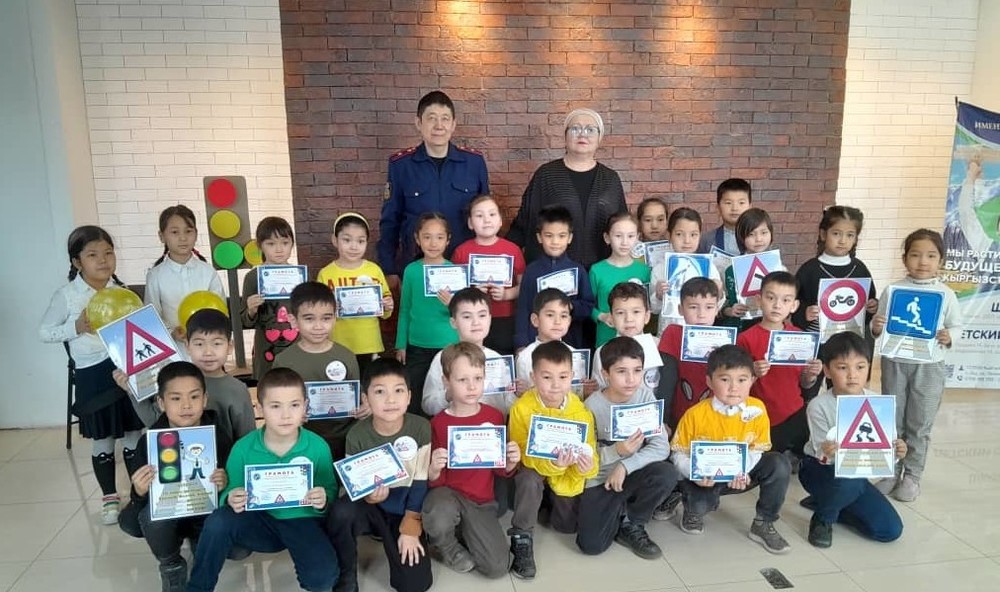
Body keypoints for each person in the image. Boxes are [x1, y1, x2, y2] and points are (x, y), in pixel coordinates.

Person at [186, 368, 338, 592]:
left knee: (322, 580)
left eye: (294, 405)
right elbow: (230, 489)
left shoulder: (317, 446)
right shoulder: (243, 448)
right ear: (260, 408)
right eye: (275, 406)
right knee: (219, 520)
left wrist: (323, 499)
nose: (286, 415)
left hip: (303, 521)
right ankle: (197, 587)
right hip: (259, 522)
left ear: (305, 406)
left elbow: (330, 490)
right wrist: (231, 498)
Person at [39, 225, 146, 525]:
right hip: (92, 375)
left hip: (126, 369)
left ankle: (138, 495)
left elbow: (140, 330)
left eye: (109, 253)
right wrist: (76, 327)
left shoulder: (123, 293)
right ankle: (109, 497)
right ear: (77, 262)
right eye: (93, 255)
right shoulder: (67, 296)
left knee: (133, 434)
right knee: (103, 438)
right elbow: (44, 332)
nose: (103, 260)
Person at [670, 345, 793, 554]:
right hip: (704, 478)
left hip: (740, 475)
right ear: (709, 381)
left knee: (779, 464)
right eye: (725, 379)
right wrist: (694, 474)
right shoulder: (695, 414)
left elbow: (756, 449)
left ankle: (763, 522)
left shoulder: (757, 409)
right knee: (700, 506)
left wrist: (741, 469)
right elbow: (678, 453)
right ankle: (690, 507)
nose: (734, 387)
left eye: (742, 380)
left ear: (752, 380)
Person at [326, 358, 433, 592]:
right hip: (371, 507)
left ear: (409, 397)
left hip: (404, 508)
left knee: (415, 585)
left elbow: (420, 481)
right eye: (380, 392)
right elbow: (353, 487)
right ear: (366, 399)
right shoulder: (357, 435)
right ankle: (346, 572)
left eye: (398, 391)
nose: (390, 400)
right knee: (340, 512)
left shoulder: (421, 428)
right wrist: (369, 497)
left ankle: (406, 535)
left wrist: (411, 526)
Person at [871, 229, 962, 502]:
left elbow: (957, 325)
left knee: (919, 424)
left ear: (941, 260)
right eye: (915, 255)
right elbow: (879, 327)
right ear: (904, 259)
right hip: (895, 363)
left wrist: (949, 336)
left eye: (931, 256)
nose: (923, 261)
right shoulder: (893, 290)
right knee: (892, 420)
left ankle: (912, 475)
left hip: (929, 366)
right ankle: (890, 471)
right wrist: (876, 326)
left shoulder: (946, 294)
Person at [126, 361, 234, 592]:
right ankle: (172, 566)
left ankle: (200, 545)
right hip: (168, 513)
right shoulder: (149, 442)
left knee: (236, 545)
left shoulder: (219, 437)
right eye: (176, 398)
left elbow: (232, 488)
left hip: (205, 512)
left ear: (204, 399)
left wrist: (224, 483)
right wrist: (139, 491)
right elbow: (138, 500)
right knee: (144, 519)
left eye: (194, 397)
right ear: (161, 403)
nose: (186, 405)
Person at [798, 332, 905, 548]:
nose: (852, 375)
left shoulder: (878, 402)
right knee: (849, 478)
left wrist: (896, 451)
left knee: (889, 530)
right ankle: (823, 518)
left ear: (868, 368)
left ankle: (830, 503)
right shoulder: (818, 405)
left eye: (860, 367)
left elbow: (884, 450)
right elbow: (821, 453)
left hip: (855, 474)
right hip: (818, 470)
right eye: (842, 367)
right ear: (827, 370)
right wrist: (827, 450)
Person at [423, 343, 519, 577]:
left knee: (497, 568)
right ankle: (445, 544)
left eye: (478, 378)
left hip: (481, 502)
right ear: (446, 382)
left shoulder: (494, 416)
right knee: (438, 511)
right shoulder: (438, 423)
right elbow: (436, 482)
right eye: (462, 380)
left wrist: (510, 463)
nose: (472, 386)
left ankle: (464, 531)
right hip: (447, 496)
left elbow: (498, 470)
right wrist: (433, 469)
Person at [577, 337, 678, 558]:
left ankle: (632, 522)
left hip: (633, 472)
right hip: (601, 479)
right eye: (621, 371)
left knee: (666, 473)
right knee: (591, 546)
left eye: (637, 370)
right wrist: (616, 452)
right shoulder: (591, 406)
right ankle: (617, 510)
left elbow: (661, 446)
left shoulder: (645, 396)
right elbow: (584, 457)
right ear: (605, 374)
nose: (631, 379)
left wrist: (625, 465)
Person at [507, 341, 599, 579]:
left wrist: (586, 468)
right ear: (533, 377)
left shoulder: (581, 412)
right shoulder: (521, 408)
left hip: (565, 475)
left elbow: (590, 452)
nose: (556, 385)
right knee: (529, 480)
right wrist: (552, 465)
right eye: (547, 377)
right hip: (534, 468)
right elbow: (521, 453)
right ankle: (522, 536)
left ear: (572, 376)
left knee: (566, 527)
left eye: (563, 376)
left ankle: (545, 503)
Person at [378, 90, 489, 283]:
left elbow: (486, 217)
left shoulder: (474, 163)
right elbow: (390, 221)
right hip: (417, 267)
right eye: (431, 118)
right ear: (418, 123)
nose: (439, 125)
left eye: (445, 119)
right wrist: (388, 269)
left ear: (453, 124)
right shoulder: (401, 165)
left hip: (464, 265)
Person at [507, 108, 627, 269]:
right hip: (554, 271)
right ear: (565, 136)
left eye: (590, 129)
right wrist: (502, 256)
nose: (582, 134)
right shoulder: (546, 175)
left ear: (599, 138)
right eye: (575, 129)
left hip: (602, 272)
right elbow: (525, 222)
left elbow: (622, 224)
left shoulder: (610, 179)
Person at [736, 272, 822, 466]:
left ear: (794, 306)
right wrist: (752, 373)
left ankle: (794, 457)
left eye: (785, 300)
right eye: (771, 298)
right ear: (759, 300)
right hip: (760, 416)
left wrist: (811, 375)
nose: (777, 305)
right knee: (769, 461)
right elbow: (736, 384)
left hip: (795, 413)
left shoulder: (800, 337)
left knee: (802, 455)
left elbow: (804, 383)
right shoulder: (745, 339)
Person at [272, 281, 362, 461]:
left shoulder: (347, 356)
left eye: (326, 318)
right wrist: (291, 415)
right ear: (293, 320)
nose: (318, 326)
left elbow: (358, 400)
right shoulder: (283, 361)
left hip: (345, 439)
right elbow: (276, 404)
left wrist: (364, 409)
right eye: (309, 319)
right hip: (301, 441)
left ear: (335, 318)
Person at [395, 212, 460, 415]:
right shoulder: (411, 270)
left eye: (439, 237)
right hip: (417, 346)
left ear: (448, 240)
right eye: (427, 237)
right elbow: (404, 309)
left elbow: (462, 313)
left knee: (445, 396)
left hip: (447, 344)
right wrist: (401, 344)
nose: (433, 243)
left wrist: (452, 303)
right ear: (417, 239)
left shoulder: (455, 271)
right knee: (417, 398)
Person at [792, 206, 878, 359]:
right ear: (823, 234)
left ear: (855, 239)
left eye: (850, 235)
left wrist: (872, 307)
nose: (842, 240)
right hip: (815, 342)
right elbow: (793, 303)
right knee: (815, 373)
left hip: (848, 342)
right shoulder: (809, 269)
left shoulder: (859, 269)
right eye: (836, 233)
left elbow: (869, 301)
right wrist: (804, 313)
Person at [317, 212, 395, 377]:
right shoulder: (326, 274)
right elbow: (319, 312)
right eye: (347, 240)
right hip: (337, 344)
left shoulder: (374, 270)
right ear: (335, 240)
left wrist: (387, 305)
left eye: (360, 241)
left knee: (367, 387)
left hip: (368, 343)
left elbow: (386, 312)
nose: (354, 247)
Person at [450, 194, 525, 355]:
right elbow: (455, 291)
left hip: (505, 319)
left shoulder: (513, 250)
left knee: (501, 360)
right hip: (472, 321)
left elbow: (523, 285)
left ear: (500, 220)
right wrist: (472, 291)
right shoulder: (461, 252)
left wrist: (507, 294)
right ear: (470, 223)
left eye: (492, 214)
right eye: (479, 215)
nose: (486, 220)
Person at [422, 287, 513, 417]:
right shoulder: (442, 358)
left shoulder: (498, 359)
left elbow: (508, 406)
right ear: (453, 322)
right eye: (467, 316)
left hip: (492, 427)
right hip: (455, 427)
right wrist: (448, 395)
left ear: (490, 318)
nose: (476, 322)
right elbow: (427, 405)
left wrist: (517, 394)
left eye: (482, 315)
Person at [514, 206, 596, 350]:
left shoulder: (578, 270)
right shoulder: (532, 271)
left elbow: (588, 306)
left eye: (561, 236)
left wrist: (569, 306)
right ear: (539, 237)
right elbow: (523, 309)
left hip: (571, 341)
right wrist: (521, 343)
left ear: (570, 238)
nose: (555, 242)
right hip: (538, 343)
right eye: (549, 235)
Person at [144, 205, 226, 338]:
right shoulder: (155, 275)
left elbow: (220, 309)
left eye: (188, 231)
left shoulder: (208, 272)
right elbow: (152, 316)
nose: (183, 238)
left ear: (196, 234)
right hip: (173, 348)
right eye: (175, 232)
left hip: (206, 343)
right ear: (162, 236)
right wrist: (171, 332)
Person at [590, 282, 676, 405]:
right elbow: (600, 392)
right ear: (611, 318)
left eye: (636, 312)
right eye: (620, 313)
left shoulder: (660, 346)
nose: (629, 319)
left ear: (646, 316)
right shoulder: (602, 352)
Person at [240, 216, 299, 379]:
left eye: (285, 243)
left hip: (297, 347)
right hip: (266, 349)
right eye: (271, 244)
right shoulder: (253, 277)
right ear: (260, 246)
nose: (279, 249)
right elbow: (245, 321)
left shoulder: (300, 276)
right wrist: (251, 310)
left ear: (292, 244)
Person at [651, 207, 723, 335]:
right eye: (679, 234)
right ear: (669, 235)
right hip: (669, 331)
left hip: (700, 332)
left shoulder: (708, 267)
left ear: (700, 235)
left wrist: (719, 291)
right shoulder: (660, 268)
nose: (687, 241)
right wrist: (658, 295)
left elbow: (718, 306)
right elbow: (654, 309)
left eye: (693, 235)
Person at [590, 213, 651, 348]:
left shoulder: (644, 270)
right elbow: (587, 304)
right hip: (606, 338)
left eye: (630, 236)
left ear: (637, 237)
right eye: (618, 236)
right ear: (607, 238)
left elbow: (649, 305)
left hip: (636, 341)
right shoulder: (597, 270)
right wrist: (601, 316)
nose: (624, 242)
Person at [720, 208, 784, 332]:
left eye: (764, 232)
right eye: (751, 234)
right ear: (741, 237)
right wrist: (730, 310)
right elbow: (721, 303)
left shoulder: (779, 268)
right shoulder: (730, 270)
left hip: (770, 329)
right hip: (741, 329)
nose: (758, 239)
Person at [514, 288, 573, 387]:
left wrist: (585, 391)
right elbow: (522, 393)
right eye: (550, 315)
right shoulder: (525, 357)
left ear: (569, 321)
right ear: (535, 320)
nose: (557, 322)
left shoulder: (575, 355)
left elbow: (578, 392)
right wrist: (521, 392)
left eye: (563, 316)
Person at [636, 196, 670, 333]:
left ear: (667, 222)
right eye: (648, 220)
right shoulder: (631, 252)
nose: (654, 225)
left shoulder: (675, 252)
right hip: (637, 321)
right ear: (639, 222)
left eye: (660, 219)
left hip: (665, 320)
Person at [698, 178, 752, 255]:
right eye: (728, 203)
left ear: (750, 207)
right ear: (718, 208)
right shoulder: (706, 241)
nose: (735, 208)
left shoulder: (761, 238)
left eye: (741, 203)